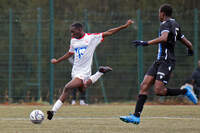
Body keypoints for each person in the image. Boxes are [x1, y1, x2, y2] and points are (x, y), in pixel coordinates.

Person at [120, 4, 198, 125]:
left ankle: (185, 91)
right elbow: (185, 40)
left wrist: (146, 43)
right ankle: (136, 116)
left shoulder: (165, 24)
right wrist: (190, 48)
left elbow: (164, 38)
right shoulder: (175, 24)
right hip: (159, 61)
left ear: (162, 13)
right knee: (144, 85)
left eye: (159, 13)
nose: (158, 15)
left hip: (167, 61)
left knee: (159, 91)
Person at [47, 19, 134, 120]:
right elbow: (70, 53)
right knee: (83, 88)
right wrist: (58, 61)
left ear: (80, 30)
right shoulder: (73, 40)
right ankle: (100, 72)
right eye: (71, 32)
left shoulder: (91, 38)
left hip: (84, 72)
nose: (71, 34)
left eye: (73, 31)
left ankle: (52, 111)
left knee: (67, 87)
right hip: (75, 71)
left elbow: (109, 32)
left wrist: (124, 26)